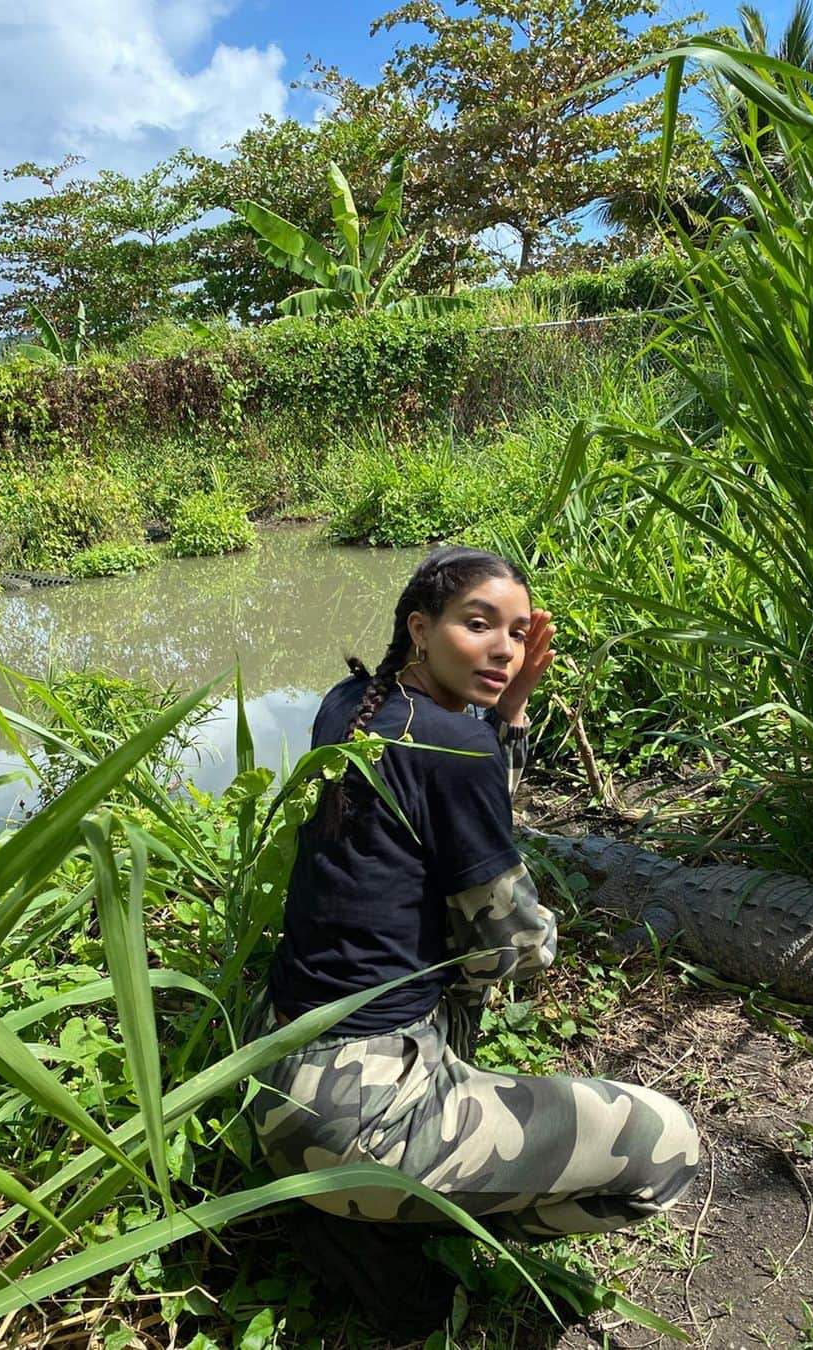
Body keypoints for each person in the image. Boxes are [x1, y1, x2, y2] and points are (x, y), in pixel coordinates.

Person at [248, 546, 699, 1333]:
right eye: (479, 624)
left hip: (271, 1066)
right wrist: (497, 753)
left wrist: (507, 720)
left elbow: (447, 813)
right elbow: (517, 951)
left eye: (519, 634)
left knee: (448, 958)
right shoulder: (457, 750)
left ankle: (357, 1203)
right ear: (420, 628)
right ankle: (395, 1229)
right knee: (670, 1150)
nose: (505, 650)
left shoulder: (350, 700)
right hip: (357, 1113)